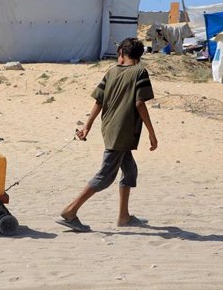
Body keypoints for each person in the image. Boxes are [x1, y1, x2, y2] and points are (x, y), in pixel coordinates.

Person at [57, 37, 158, 232]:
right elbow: (139, 103)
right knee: (105, 176)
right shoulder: (140, 72)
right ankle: (70, 211)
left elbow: (99, 100)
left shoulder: (111, 71)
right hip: (122, 131)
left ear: (122, 53)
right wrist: (151, 133)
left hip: (111, 128)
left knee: (130, 171)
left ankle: (123, 216)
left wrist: (87, 126)